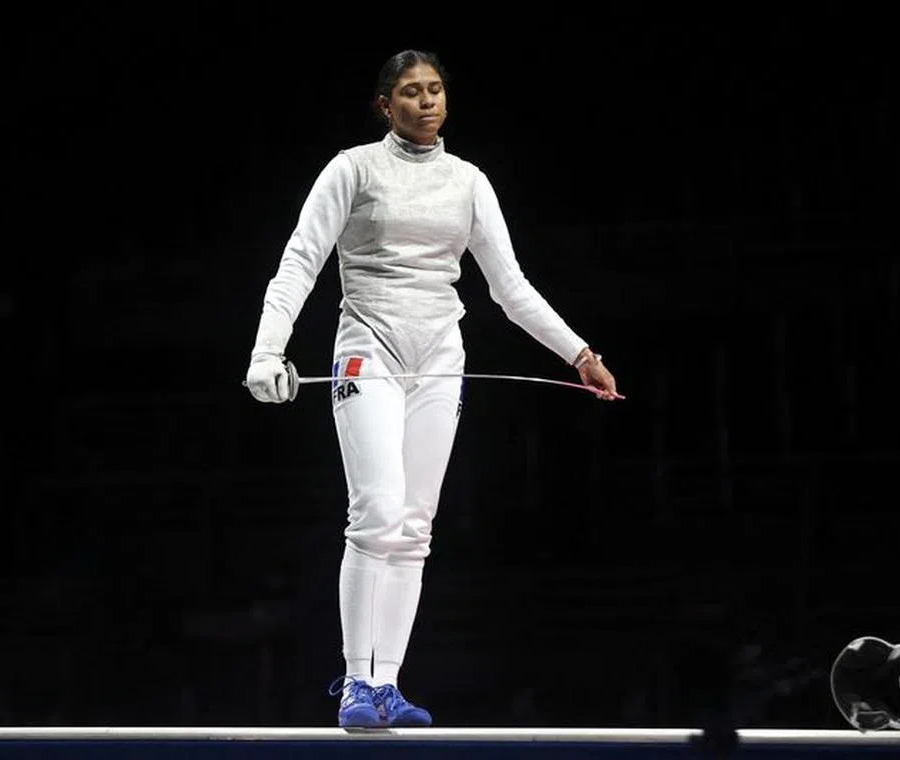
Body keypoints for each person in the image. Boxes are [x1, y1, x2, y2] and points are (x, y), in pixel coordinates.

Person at [243, 49, 621, 729]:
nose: (427, 101)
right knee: (378, 513)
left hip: (441, 355)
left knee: (415, 528)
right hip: (368, 350)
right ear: (385, 105)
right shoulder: (352, 169)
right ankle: (356, 681)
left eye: (436, 90)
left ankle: (387, 686)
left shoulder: (468, 181)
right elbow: (301, 258)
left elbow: (510, 289)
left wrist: (580, 353)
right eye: (411, 92)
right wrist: (268, 349)